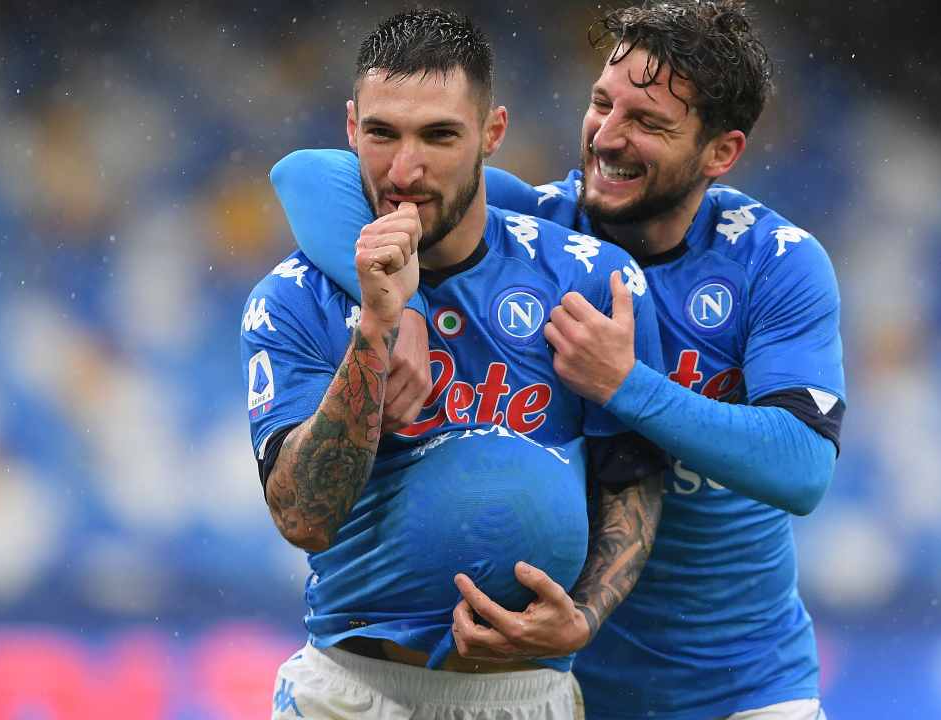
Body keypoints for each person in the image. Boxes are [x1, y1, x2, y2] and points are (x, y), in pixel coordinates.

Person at [272, 1, 845, 719]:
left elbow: (801, 467)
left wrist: (627, 386)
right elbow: (309, 175)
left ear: (720, 153)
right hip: (561, 681)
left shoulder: (775, 263)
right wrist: (407, 313)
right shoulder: (543, 226)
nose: (608, 137)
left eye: (648, 123)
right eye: (602, 104)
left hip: (742, 687)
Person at [241, 9, 667, 718]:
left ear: (492, 134)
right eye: (382, 134)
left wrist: (586, 615)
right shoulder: (292, 298)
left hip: (526, 695)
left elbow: (631, 480)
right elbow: (302, 517)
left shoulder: (590, 279)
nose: (405, 169)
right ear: (351, 131)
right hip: (353, 692)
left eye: (439, 135)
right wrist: (378, 326)